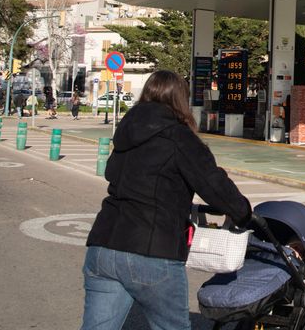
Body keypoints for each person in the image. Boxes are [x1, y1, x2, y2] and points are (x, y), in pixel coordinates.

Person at [81, 70, 255, 330]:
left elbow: (111, 173)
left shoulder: (126, 131)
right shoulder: (179, 137)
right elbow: (213, 184)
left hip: (103, 247)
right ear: (181, 99)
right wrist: (243, 213)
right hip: (152, 249)